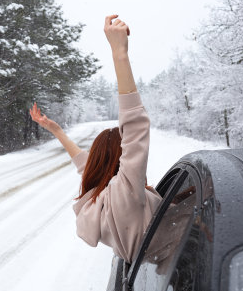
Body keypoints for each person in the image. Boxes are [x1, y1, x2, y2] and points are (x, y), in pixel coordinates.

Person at [29, 15, 162, 264]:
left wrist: (56, 130)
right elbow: (135, 126)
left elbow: (84, 164)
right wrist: (119, 53)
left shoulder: (101, 200)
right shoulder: (125, 194)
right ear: (120, 161)